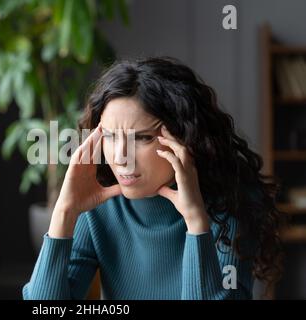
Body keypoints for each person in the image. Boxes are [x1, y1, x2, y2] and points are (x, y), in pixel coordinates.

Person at [22, 57, 284, 300]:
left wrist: (196, 222)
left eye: (142, 138)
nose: (121, 157)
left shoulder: (231, 201)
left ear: (185, 138)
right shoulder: (99, 207)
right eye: (111, 136)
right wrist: (64, 212)